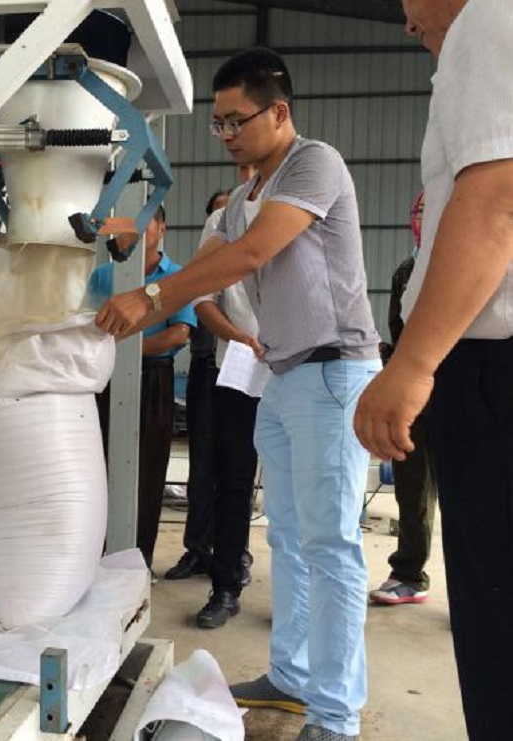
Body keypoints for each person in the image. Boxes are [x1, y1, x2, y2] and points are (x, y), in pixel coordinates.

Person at [96, 47, 380, 741]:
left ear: (277, 111)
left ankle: (335, 716)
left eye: (235, 121)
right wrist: (129, 254)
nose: (225, 135)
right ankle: (292, 676)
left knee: (330, 543)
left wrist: (151, 297)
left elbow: (249, 256)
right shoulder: (247, 195)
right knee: (286, 534)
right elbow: (206, 263)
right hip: (281, 376)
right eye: (217, 123)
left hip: (333, 371)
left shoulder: (314, 164)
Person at [354, 2, 513, 738]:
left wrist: (413, 363)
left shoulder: (490, 17)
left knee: (496, 619)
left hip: (490, 366)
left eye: (409, 8)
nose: (409, 25)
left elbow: (495, 199)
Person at [90, 205, 197, 572]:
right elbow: (87, 326)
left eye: (144, 221)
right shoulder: (102, 276)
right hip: (105, 378)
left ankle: (138, 561)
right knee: (99, 465)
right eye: (126, 222)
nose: (133, 229)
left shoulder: (176, 277)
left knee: (147, 470)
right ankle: (97, 557)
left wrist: (126, 348)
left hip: (152, 377)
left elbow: (178, 333)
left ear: (162, 228)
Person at [192, 164, 264, 629]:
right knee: (233, 478)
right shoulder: (221, 222)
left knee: (299, 486)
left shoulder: (299, 207)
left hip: (296, 366)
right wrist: (237, 336)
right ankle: (225, 586)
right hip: (240, 367)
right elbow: (202, 298)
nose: (250, 173)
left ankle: (301, 598)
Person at [370, 193, 439, 606]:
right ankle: (409, 573)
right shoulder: (406, 272)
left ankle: (487, 588)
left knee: (477, 493)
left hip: (467, 392)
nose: (425, 219)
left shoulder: (471, 262)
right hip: (416, 395)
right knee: (412, 488)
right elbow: (400, 334)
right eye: (420, 211)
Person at [165, 191, 229, 582]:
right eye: (217, 213)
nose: (224, 219)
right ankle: (197, 550)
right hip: (206, 367)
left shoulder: (254, 267)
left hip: (242, 369)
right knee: (202, 464)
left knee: (236, 466)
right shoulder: (199, 271)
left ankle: (232, 554)